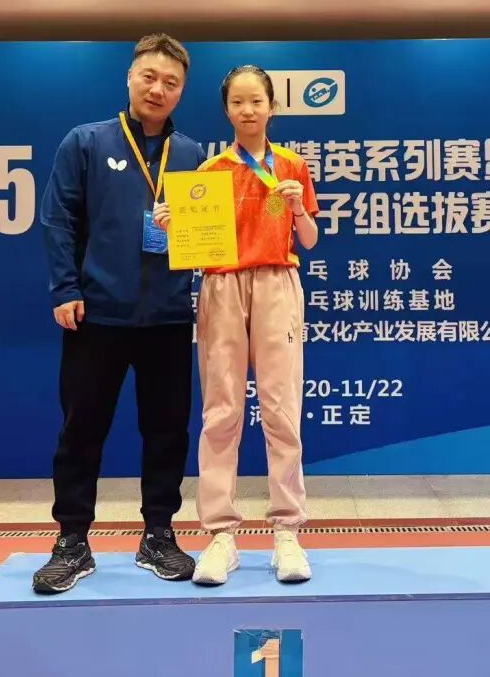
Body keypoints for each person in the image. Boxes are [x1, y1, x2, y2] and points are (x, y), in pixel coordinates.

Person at [32, 33, 205, 594]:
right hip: (97, 315)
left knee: (167, 432)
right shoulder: (86, 141)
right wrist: (65, 288)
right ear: (130, 78)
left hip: (170, 319)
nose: (158, 89)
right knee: (81, 430)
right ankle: (72, 541)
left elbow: (206, 236)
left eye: (171, 82)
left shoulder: (193, 156)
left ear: (181, 91)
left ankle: (159, 534)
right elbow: (58, 219)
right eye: (149, 77)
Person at [157, 65, 319, 585]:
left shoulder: (292, 165)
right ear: (227, 110)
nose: (248, 111)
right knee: (221, 411)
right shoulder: (210, 171)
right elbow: (188, 243)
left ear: (272, 107)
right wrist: (170, 226)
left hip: (277, 283)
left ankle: (287, 531)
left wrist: (297, 209)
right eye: (237, 103)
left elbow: (310, 240)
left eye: (256, 101)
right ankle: (220, 535)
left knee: (281, 409)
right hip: (222, 286)